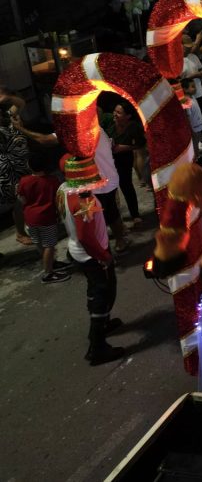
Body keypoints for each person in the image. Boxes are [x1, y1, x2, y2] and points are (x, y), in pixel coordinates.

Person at [12, 113, 130, 252]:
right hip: (109, 179)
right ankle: (119, 241)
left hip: (95, 184)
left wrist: (20, 128)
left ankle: (102, 252)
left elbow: (45, 140)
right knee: (111, 212)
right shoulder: (95, 127)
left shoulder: (76, 131)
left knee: (95, 220)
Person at [56, 155, 125, 366]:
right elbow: (86, 236)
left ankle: (102, 323)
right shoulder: (84, 199)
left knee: (96, 290)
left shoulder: (63, 188)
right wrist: (103, 256)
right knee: (102, 294)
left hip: (78, 251)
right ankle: (97, 346)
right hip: (91, 255)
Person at [16, 152, 68, 283]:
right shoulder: (53, 181)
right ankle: (48, 274)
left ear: (29, 165)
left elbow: (22, 199)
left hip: (30, 219)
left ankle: (51, 263)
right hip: (47, 219)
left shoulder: (24, 181)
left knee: (40, 244)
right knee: (49, 245)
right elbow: (58, 199)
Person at [101, 103, 145, 225]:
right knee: (110, 189)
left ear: (128, 116)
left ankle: (135, 215)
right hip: (107, 160)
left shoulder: (133, 127)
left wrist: (125, 148)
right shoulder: (109, 123)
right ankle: (115, 219)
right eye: (115, 111)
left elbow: (141, 144)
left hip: (124, 159)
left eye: (119, 113)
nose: (115, 114)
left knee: (126, 186)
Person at [0, 101, 33, 246]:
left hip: (20, 165)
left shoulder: (6, 117)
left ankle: (24, 229)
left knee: (22, 198)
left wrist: (5, 95)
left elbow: (19, 102)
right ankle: (20, 233)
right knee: (17, 200)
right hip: (7, 170)